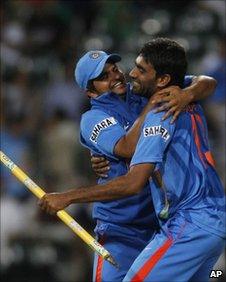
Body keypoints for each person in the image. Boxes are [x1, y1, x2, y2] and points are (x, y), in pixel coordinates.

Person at [39, 39, 224, 282]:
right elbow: (126, 147)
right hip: (121, 229)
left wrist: (185, 94)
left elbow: (207, 82)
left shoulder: (148, 93)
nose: (116, 76)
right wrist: (154, 103)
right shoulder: (94, 117)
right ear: (90, 90)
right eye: (104, 76)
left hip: (165, 224)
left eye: (114, 68)